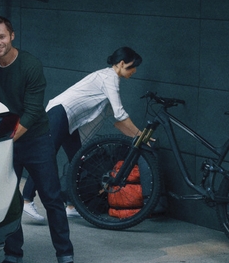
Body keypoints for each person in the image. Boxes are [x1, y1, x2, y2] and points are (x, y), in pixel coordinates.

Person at [0, 16, 80, 263]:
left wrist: (2, 141)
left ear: (12, 36)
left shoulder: (30, 65)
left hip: (35, 138)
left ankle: (66, 259)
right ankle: (13, 258)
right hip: (3, 141)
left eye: (2, 37)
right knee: (9, 200)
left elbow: (32, 112)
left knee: (51, 198)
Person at [22, 47, 144, 222]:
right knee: (46, 157)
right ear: (122, 63)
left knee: (79, 161)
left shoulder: (108, 79)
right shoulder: (109, 78)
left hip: (69, 121)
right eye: (133, 66)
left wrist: (138, 138)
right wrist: (141, 135)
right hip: (60, 113)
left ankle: (72, 205)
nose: (135, 71)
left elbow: (118, 121)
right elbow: (120, 114)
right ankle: (27, 199)